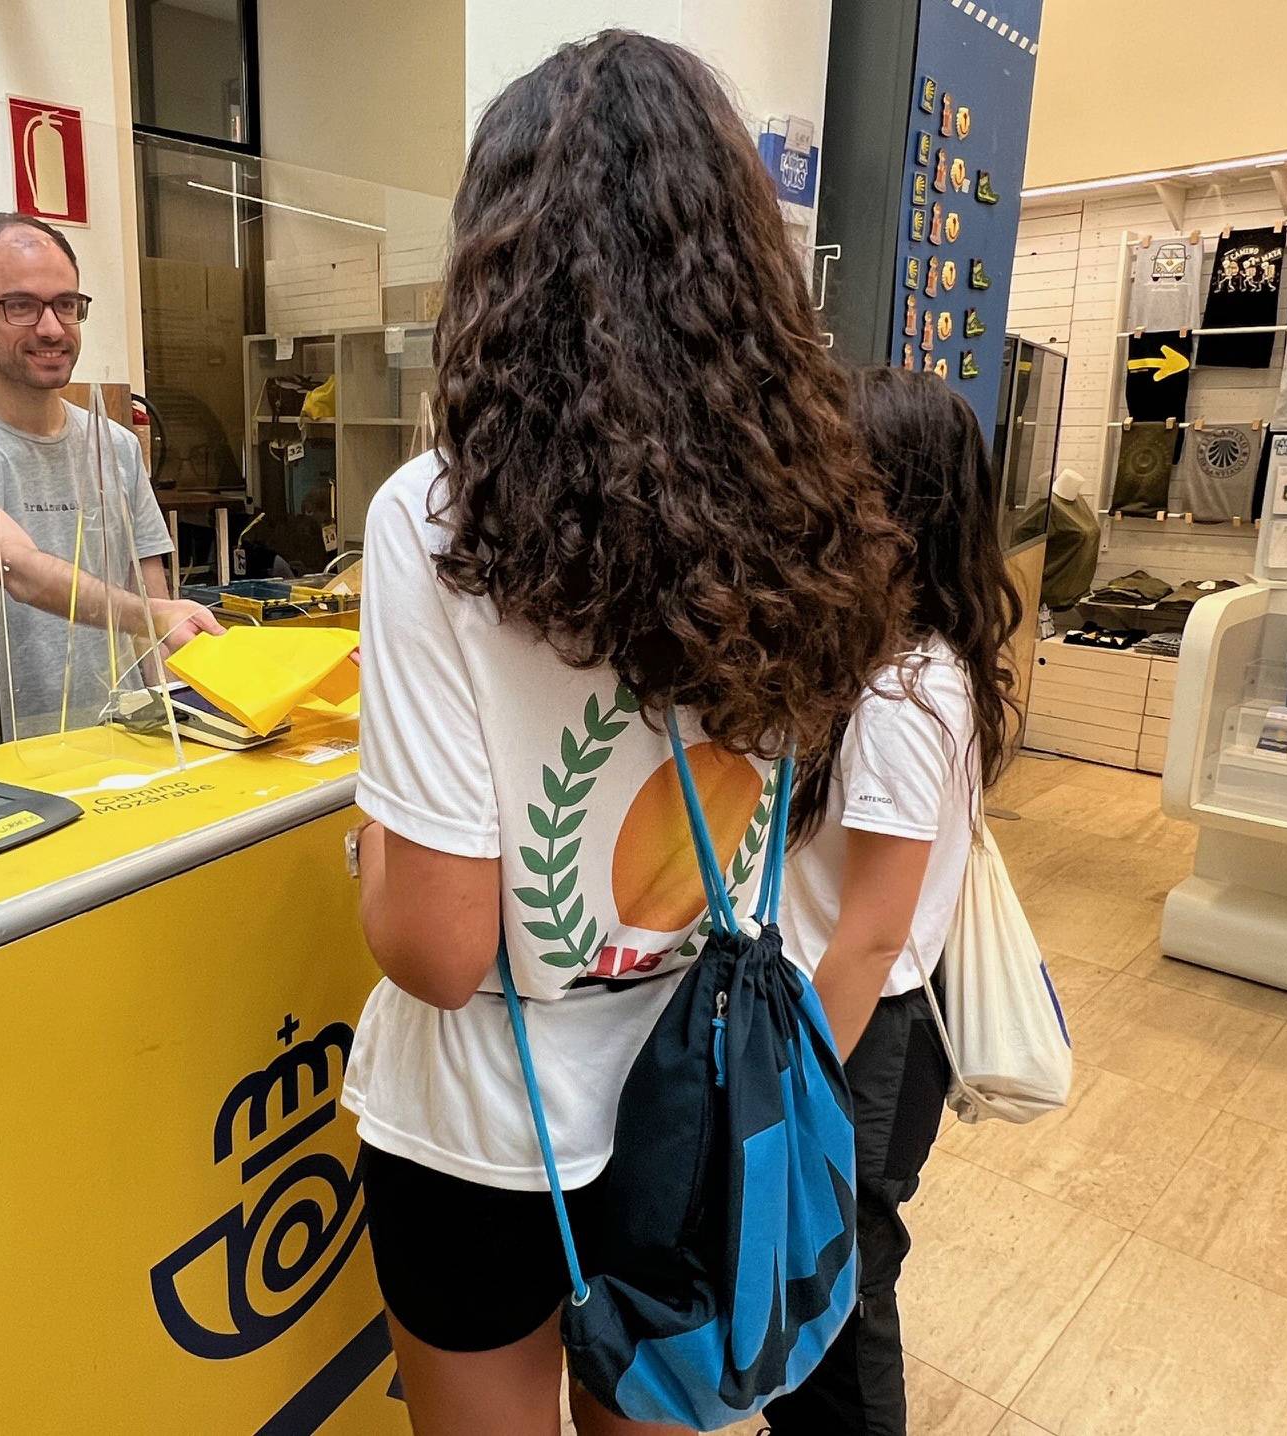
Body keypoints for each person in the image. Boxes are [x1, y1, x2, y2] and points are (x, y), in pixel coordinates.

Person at [340, 32, 906, 1436]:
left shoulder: (435, 516)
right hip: (695, 1106)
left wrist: (363, 853)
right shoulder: (809, 505)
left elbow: (438, 942)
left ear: (498, 269)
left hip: (481, 1127)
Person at [764, 367, 1023, 1436]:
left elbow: (870, 934)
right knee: (817, 1282)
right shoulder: (901, 663)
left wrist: (789, 1088)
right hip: (857, 1025)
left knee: (846, 1302)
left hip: (859, 1039)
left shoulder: (902, 694)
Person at [0, 213, 220, 735]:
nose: (51, 328)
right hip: (11, 748)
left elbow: (151, 596)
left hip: (133, 737)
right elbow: (16, 566)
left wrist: (179, 718)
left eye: (66, 304)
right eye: (21, 305)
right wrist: (152, 616)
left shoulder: (117, 445)